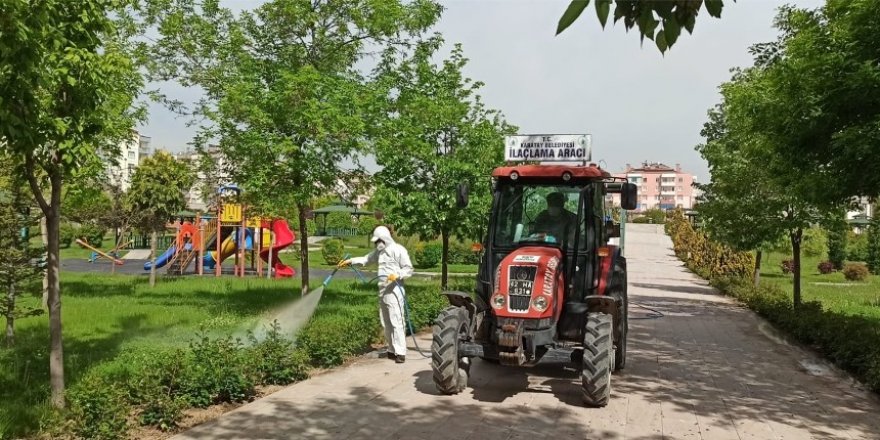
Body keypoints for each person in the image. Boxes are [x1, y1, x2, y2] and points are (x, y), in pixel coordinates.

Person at [339, 226, 413, 363]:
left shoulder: (399, 250)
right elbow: (366, 259)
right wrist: (350, 261)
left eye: (378, 241)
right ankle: (391, 350)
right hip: (383, 291)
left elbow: (408, 269)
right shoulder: (379, 252)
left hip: (395, 291)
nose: (377, 244)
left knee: (397, 321)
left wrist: (397, 275)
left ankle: (401, 352)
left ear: (385, 239)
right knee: (386, 322)